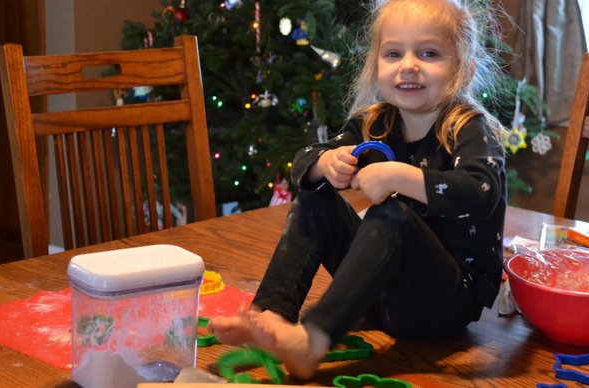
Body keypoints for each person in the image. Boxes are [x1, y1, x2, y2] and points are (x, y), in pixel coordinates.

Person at [209, 0, 507, 380]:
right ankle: (270, 320)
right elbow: (304, 161)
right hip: (376, 296)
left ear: (462, 67)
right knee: (315, 194)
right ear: (376, 64)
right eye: (394, 53)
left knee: (393, 215)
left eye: (429, 53)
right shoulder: (376, 121)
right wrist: (324, 164)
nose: (409, 65)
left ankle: (312, 341)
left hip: (442, 306)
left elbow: (482, 191)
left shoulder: (467, 127)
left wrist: (401, 177)